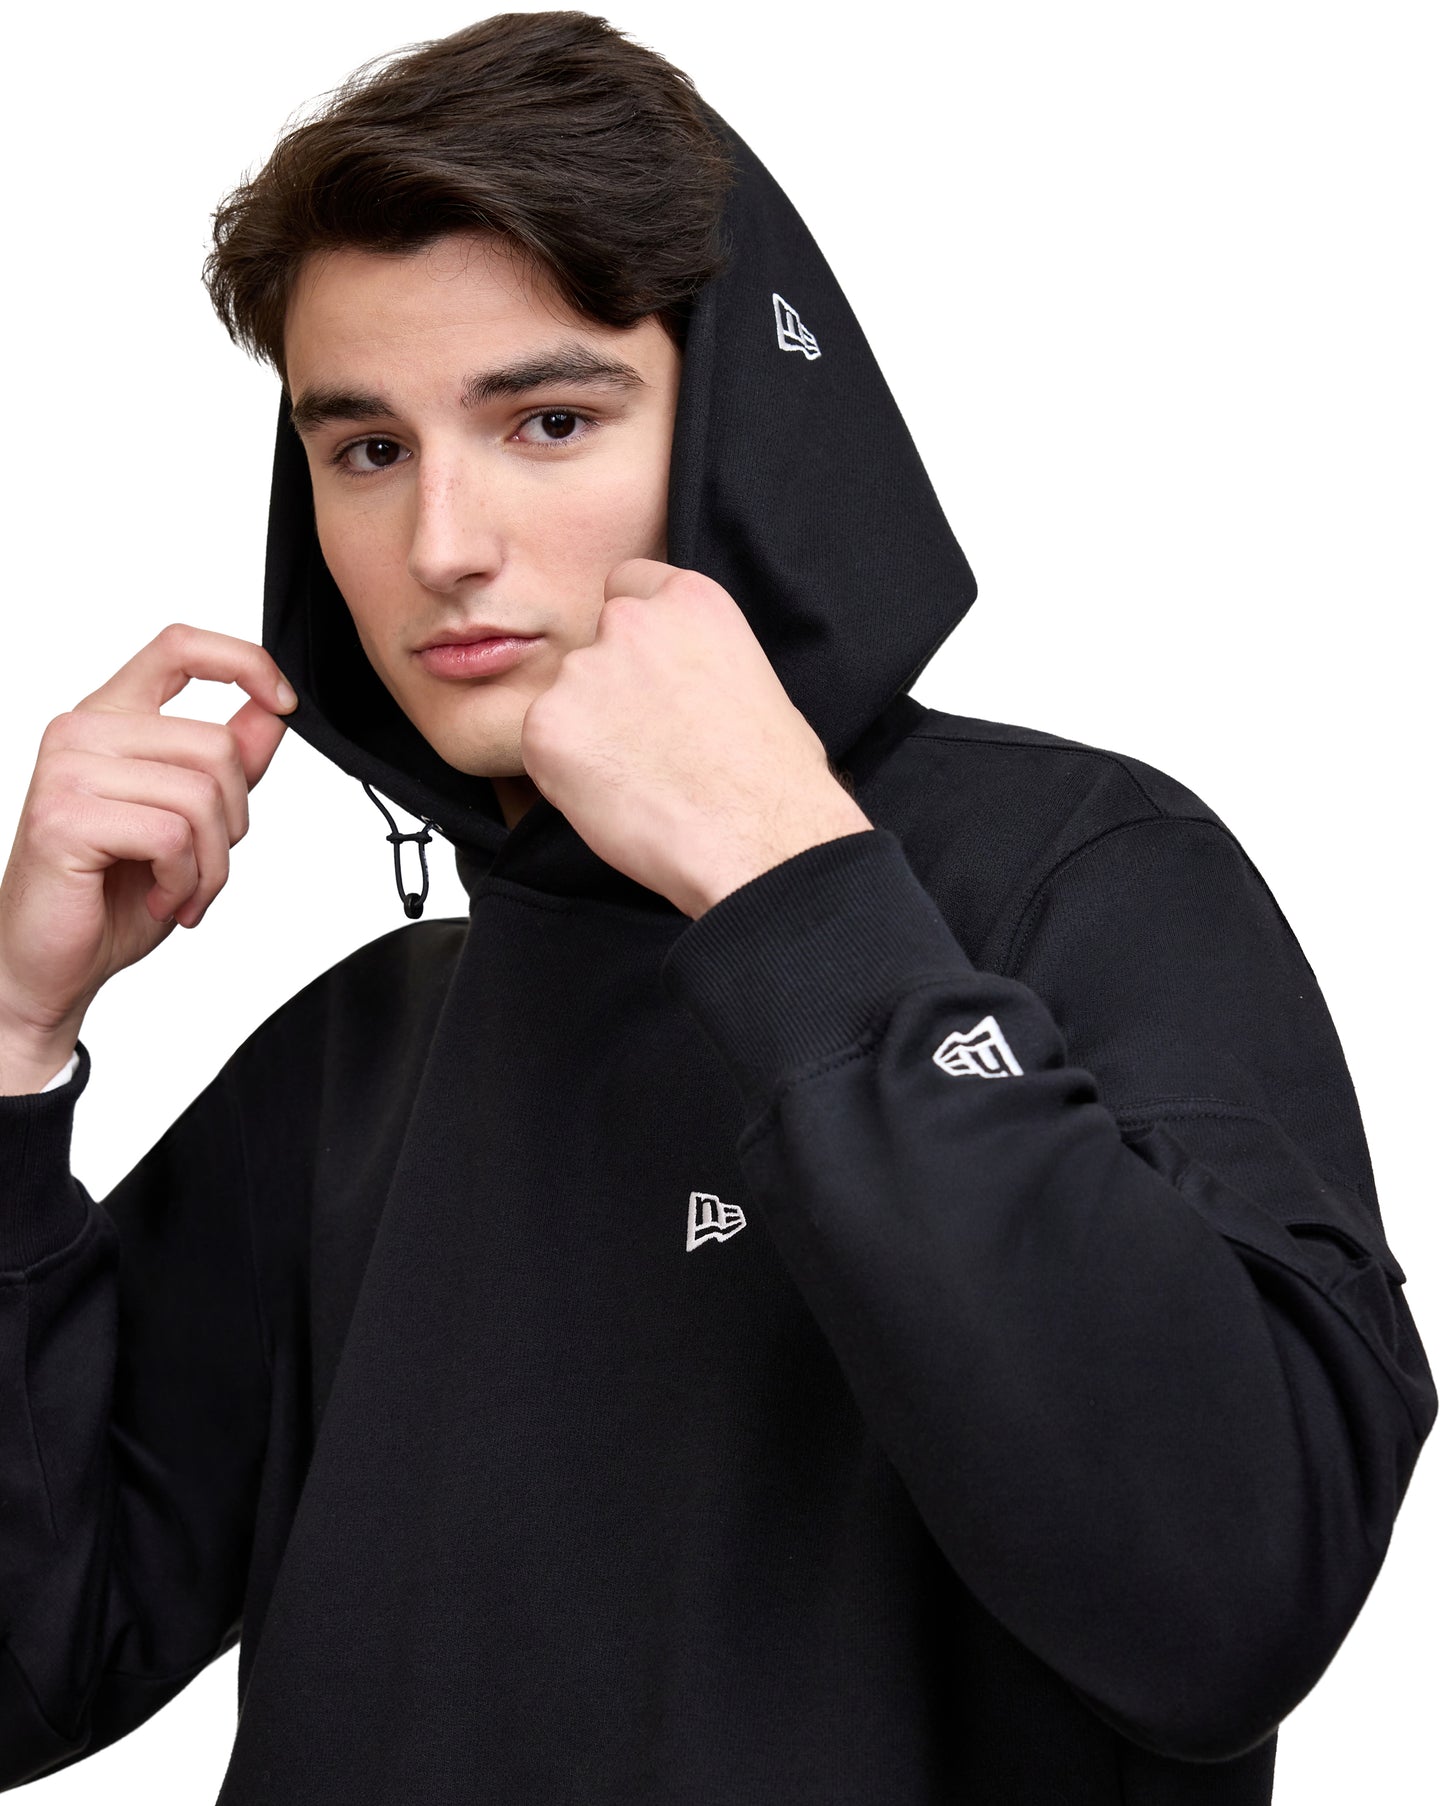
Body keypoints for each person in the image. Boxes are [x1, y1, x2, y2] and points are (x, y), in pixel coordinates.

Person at [0, 10, 1435, 1801]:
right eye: (365, 449)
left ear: (740, 436)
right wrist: (13, 1047)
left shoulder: (1084, 880)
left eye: (546, 420)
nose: (440, 542)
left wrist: (789, 885)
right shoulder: (372, 1053)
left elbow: (1228, 1597)